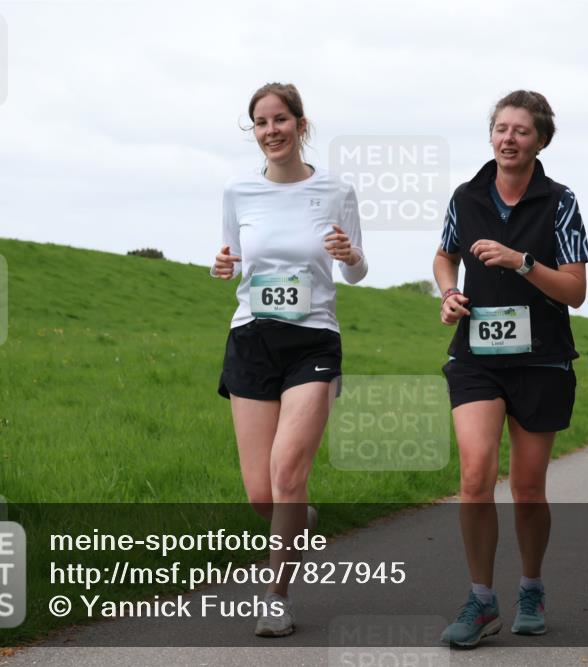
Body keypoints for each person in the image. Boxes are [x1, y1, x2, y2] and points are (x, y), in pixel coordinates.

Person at [210, 82, 368, 637]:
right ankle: (300, 519)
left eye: (281, 119)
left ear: (302, 124)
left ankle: (275, 596)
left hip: (313, 341)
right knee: (262, 493)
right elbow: (230, 258)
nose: (271, 130)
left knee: (286, 471)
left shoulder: (334, 190)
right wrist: (221, 267)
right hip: (251, 338)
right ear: (254, 131)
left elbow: (357, 269)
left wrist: (351, 255)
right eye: (260, 122)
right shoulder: (237, 190)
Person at [433, 90, 588, 647]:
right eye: (500, 128)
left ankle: (531, 587)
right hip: (476, 357)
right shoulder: (467, 195)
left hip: (542, 360)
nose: (508, 138)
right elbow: (444, 253)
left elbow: (575, 291)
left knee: (527, 488)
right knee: (475, 477)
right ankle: (481, 601)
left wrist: (521, 262)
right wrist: (449, 291)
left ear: (541, 140)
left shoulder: (561, 202)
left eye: (521, 131)